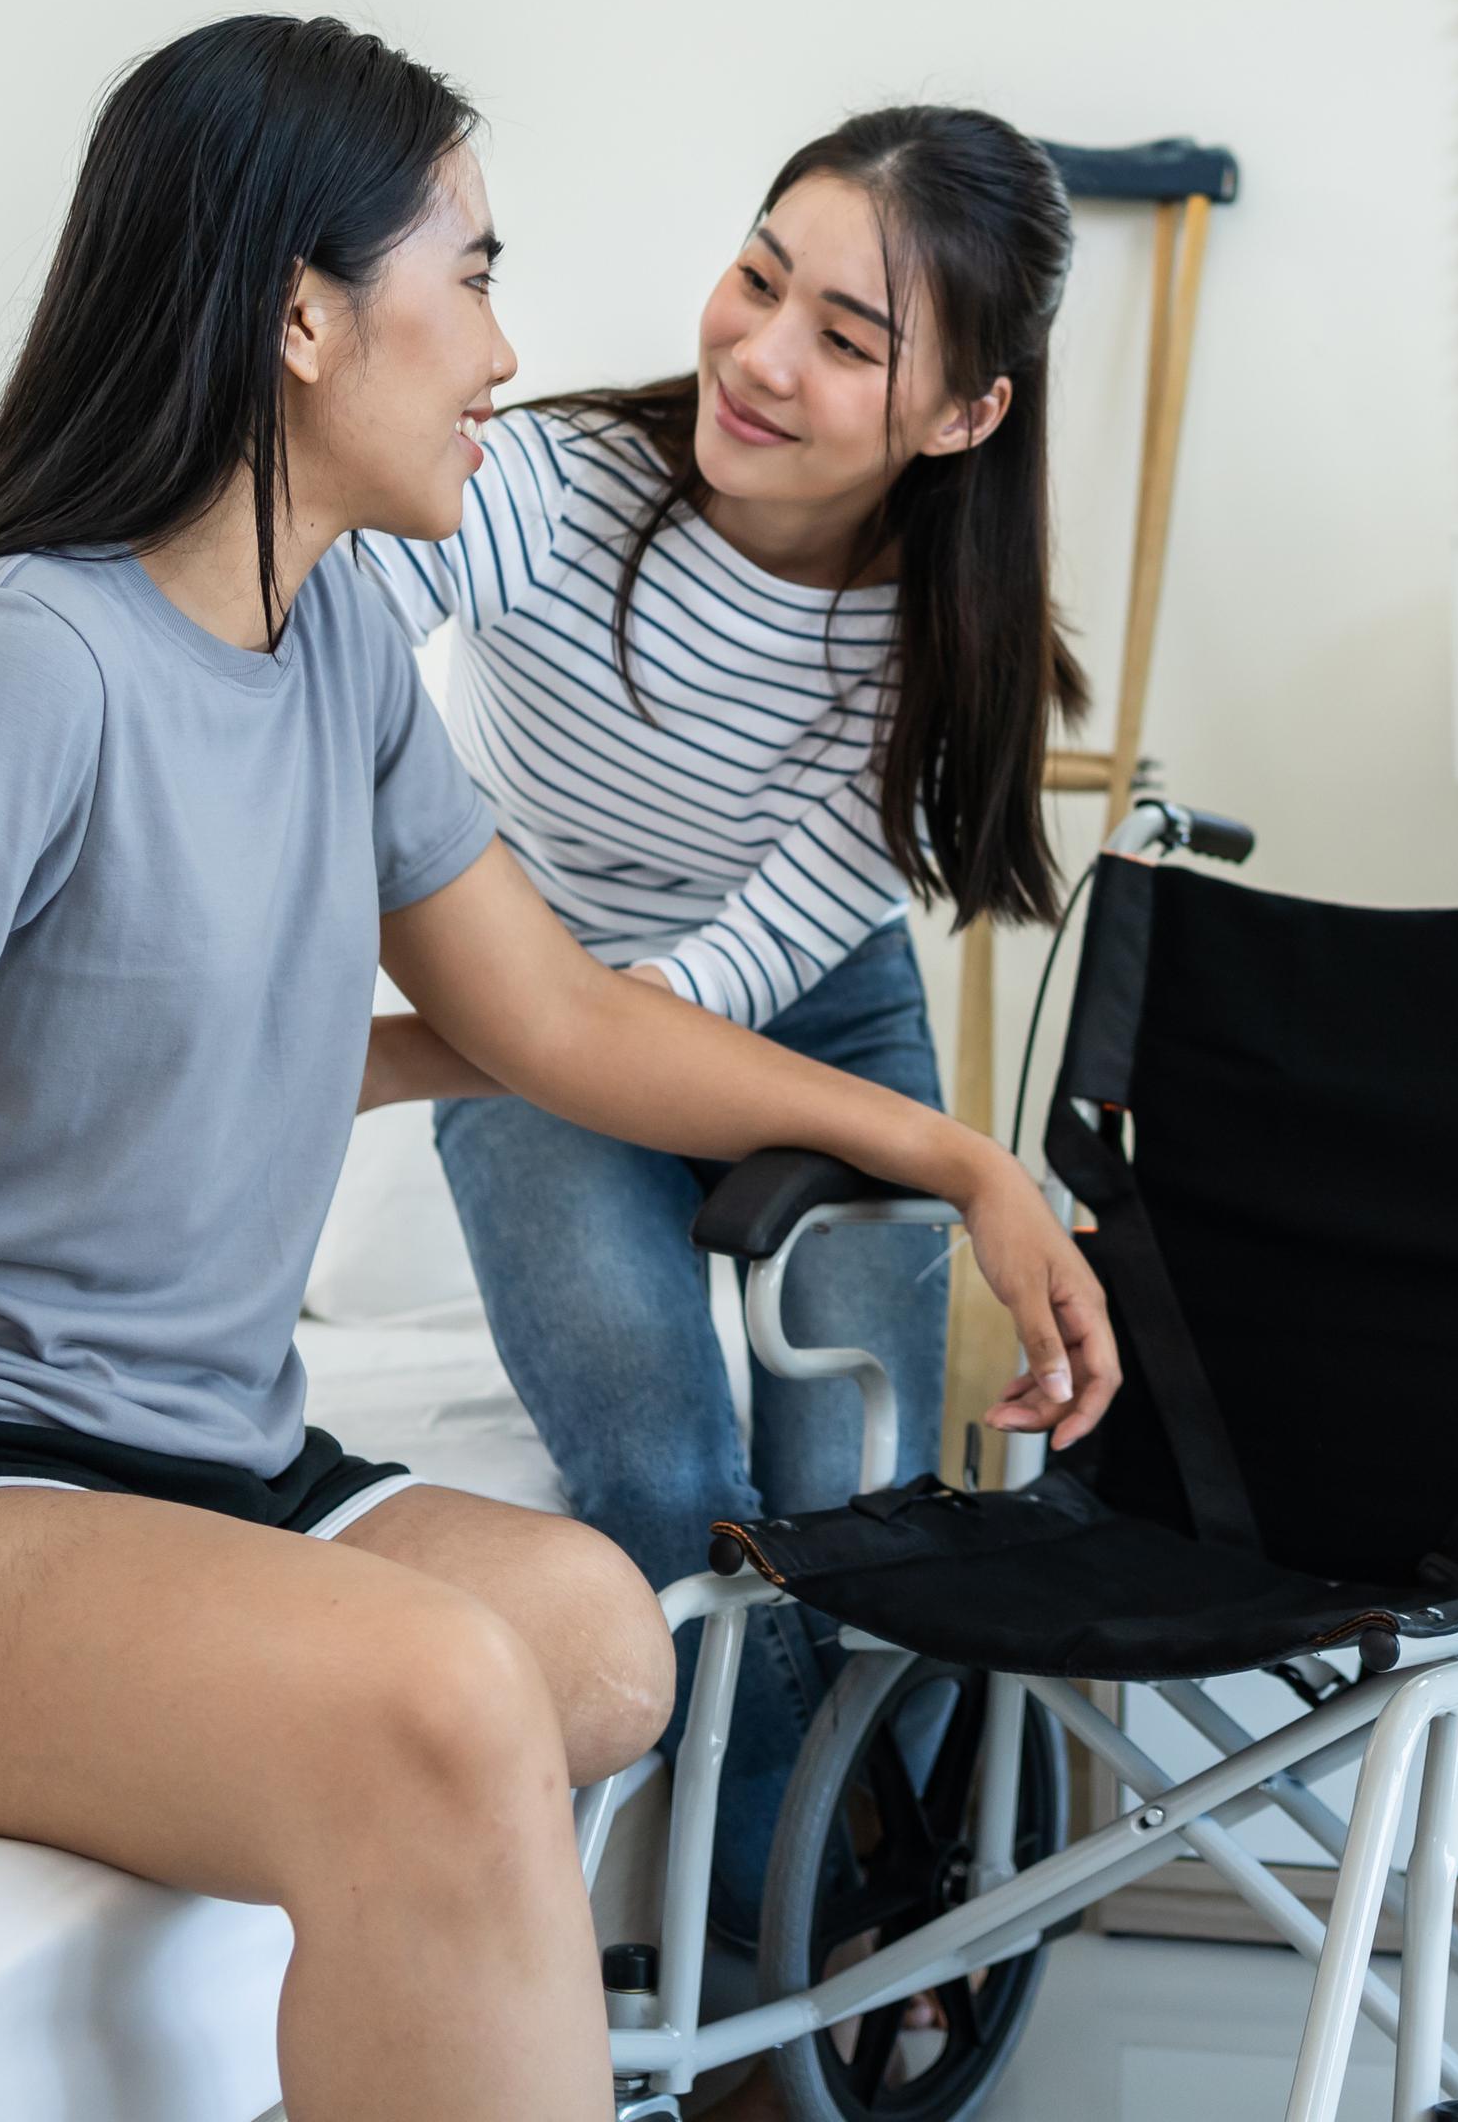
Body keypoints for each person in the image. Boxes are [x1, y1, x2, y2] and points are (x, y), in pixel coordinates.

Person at [0, 16, 1120, 2122]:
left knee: (606, 1635)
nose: (514, 354)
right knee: (437, 1690)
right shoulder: (22, 663)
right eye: (479, 275)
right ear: (306, 318)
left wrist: (952, 1154)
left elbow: (553, 1019)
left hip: (195, 1456)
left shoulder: (334, 640)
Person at [350, 105, 1086, 1943]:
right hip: (541, 1022)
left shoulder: (946, 665)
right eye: (760, 278)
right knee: (665, 1479)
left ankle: (899, 1875)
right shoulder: (546, 491)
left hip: (782, 1026)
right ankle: (790, 1929)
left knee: (855, 1510)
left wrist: (363, 1063)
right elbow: (311, 620)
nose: (758, 356)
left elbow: (674, 1014)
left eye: (848, 340)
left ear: (963, 416)